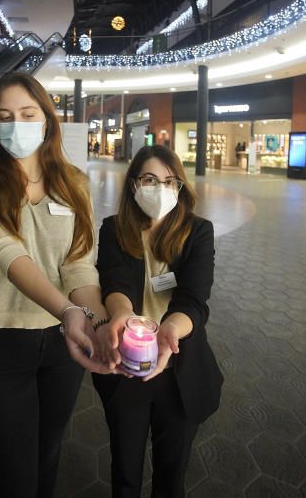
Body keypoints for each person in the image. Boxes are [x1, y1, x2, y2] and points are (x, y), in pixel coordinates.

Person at [0, 71, 113, 498]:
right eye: (5, 116)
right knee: (12, 473)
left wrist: (93, 321)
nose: (17, 124)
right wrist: (68, 312)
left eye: (27, 113)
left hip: (61, 343)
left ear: (47, 120)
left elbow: (80, 265)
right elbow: (6, 254)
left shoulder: (74, 182)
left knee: (47, 454)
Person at [92, 144, 223, 498]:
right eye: (150, 179)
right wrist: (121, 313)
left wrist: (170, 332)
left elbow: (194, 298)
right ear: (134, 184)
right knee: (125, 471)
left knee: (171, 473)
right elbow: (114, 281)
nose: (160, 188)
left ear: (180, 187)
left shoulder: (198, 232)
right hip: (127, 365)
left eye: (170, 181)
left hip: (178, 364)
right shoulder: (114, 229)